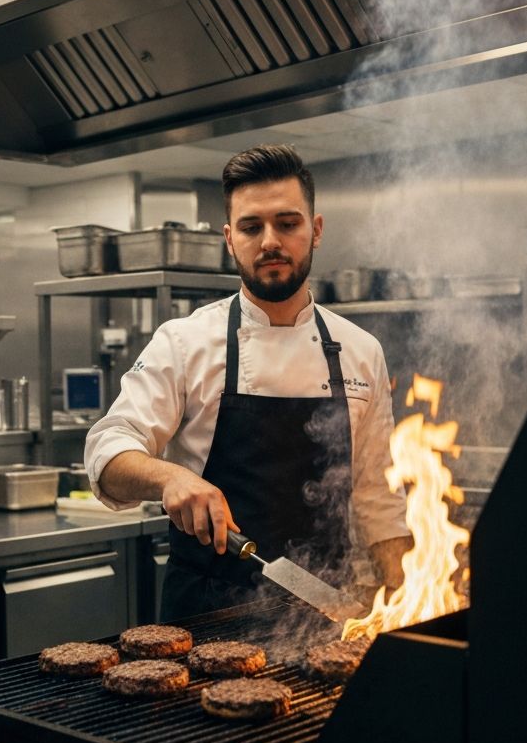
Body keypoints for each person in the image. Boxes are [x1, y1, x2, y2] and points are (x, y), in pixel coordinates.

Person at [84, 144, 411, 620]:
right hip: (205, 615)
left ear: (315, 231)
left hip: (325, 611)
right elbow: (106, 449)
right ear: (229, 238)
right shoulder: (184, 342)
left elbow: (379, 497)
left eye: (288, 223)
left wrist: (409, 602)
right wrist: (171, 477)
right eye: (251, 227)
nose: (270, 241)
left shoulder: (361, 350)